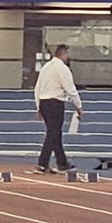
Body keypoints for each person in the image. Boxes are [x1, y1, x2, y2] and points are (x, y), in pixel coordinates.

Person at [33, 43, 83, 174]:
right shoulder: (62, 68)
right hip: (55, 103)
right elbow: (70, 88)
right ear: (64, 54)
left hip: (44, 102)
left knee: (55, 133)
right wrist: (79, 106)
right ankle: (42, 163)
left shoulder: (45, 67)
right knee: (53, 133)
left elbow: (37, 88)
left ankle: (62, 163)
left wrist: (38, 106)